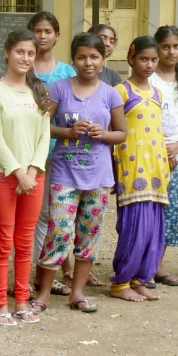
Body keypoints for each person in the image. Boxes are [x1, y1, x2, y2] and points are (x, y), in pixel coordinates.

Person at [34, 32, 126, 314]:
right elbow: (42, 126)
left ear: (103, 59)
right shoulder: (60, 89)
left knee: (88, 235)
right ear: (73, 59)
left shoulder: (111, 93)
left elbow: (122, 133)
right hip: (64, 173)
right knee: (58, 232)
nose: (88, 62)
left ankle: (78, 294)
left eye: (94, 57)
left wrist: (105, 134)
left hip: (99, 177)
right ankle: (44, 294)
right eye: (82, 57)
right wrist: (68, 132)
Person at [0, 29, 51, 326]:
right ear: (8, 54)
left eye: (30, 54)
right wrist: (18, 172)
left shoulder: (40, 92)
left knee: (25, 243)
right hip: (4, 176)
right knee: (4, 241)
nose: (25, 58)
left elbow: (43, 136)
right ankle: (1, 303)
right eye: (20, 52)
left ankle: (22, 300)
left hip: (34, 178)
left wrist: (34, 171)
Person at [109, 36, 171, 302]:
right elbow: (115, 130)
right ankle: (121, 282)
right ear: (131, 59)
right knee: (134, 226)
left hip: (157, 168)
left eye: (153, 60)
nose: (149, 64)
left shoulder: (158, 93)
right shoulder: (121, 91)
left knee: (154, 228)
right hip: (131, 170)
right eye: (144, 59)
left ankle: (140, 279)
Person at [28, 11, 76, 294]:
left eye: (48, 31)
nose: (42, 36)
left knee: (52, 214)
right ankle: (30, 273)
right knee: (30, 215)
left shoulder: (67, 72)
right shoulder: (23, 64)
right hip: (27, 152)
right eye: (37, 30)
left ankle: (46, 272)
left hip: (59, 153)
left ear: (57, 35)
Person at [149, 26, 178, 288]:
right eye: (165, 46)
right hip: (150, 156)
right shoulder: (148, 78)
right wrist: (160, 151)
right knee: (149, 209)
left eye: (176, 46)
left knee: (172, 211)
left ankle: (158, 265)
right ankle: (142, 263)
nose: (171, 51)